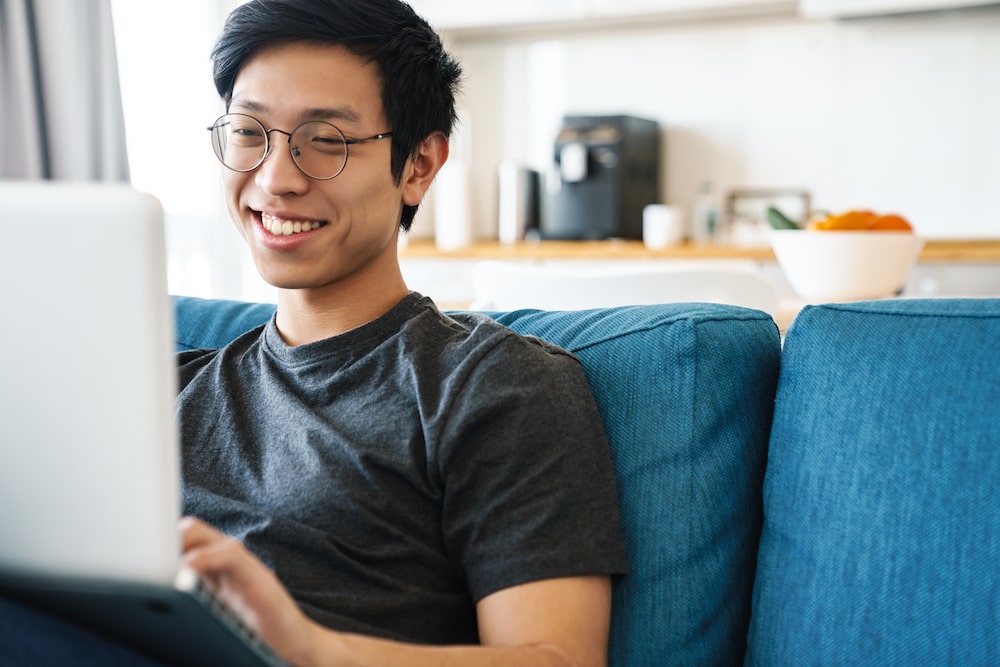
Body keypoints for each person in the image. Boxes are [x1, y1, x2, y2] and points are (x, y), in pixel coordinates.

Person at [0, 1, 626, 665]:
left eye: (326, 140)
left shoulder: (498, 382)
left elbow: (557, 657)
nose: (276, 179)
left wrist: (310, 648)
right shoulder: (162, 393)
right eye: (248, 133)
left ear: (419, 164)